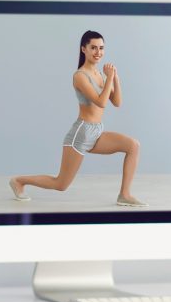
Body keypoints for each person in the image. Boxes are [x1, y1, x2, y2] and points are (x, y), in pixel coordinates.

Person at [11, 29, 143, 207]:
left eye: (101, 48)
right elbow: (101, 102)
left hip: (97, 131)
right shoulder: (80, 76)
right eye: (93, 48)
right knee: (61, 184)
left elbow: (117, 102)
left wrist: (115, 79)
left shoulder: (99, 75)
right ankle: (19, 181)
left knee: (133, 146)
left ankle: (124, 194)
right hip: (80, 135)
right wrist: (109, 77)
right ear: (84, 49)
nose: (98, 52)